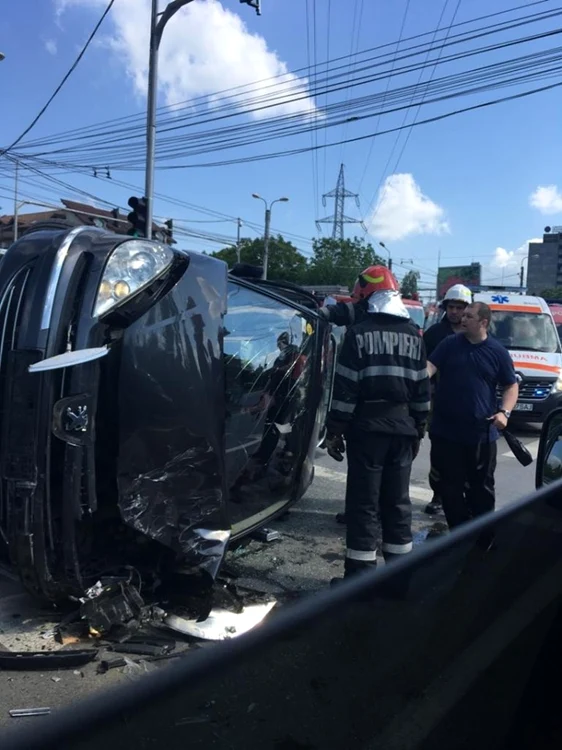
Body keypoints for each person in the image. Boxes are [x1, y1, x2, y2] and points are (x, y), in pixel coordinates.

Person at [325, 266, 430, 581]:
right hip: (403, 431)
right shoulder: (415, 335)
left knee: (363, 505)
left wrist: (334, 432)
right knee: (398, 506)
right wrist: (419, 430)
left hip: (367, 431)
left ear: (367, 297)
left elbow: (345, 391)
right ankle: (398, 581)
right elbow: (422, 391)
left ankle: (358, 582)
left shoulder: (358, 335)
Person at [427, 302, 518, 532]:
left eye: (469, 316)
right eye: (463, 315)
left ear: (483, 322)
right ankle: (459, 536)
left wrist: (504, 412)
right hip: (446, 433)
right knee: (450, 488)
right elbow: (429, 368)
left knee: (482, 489)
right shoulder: (449, 344)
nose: (462, 319)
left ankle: (483, 537)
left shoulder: (497, 351)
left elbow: (510, 385)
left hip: (481, 435)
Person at [423, 283, 473, 516]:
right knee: (440, 451)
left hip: (468, 405)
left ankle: (462, 495)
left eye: (459, 307)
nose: (454, 311)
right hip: (439, 403)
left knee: (466, 452)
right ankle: (438, 495)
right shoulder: (434, 334)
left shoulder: (476, 335)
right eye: (451, 306)